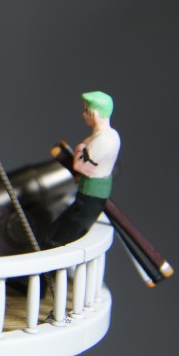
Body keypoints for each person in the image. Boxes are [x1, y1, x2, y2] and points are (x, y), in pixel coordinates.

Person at [45, 91, 120, 247]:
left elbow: (79, 166)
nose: (83, 114)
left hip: (90, 196)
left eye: (86, 110)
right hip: (91, 193)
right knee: (60, 230)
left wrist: (80, 147)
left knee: (60, 236)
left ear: (94, 114)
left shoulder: (103, 140)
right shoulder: (112, 135)